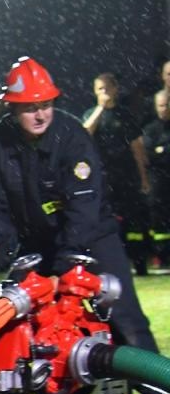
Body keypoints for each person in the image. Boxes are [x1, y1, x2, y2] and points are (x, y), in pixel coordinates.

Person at [0, 56, 170, 394]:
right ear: (12, 108)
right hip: (38, 244)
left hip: (92, 239)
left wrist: (68, 266)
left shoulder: (72, 135)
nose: (40, 113)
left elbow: (84, 203)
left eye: (45, 104)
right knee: (19, 325)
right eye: (31, 107)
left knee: (126, 321)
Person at [82, 73, 154, 275]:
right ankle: (107, 265)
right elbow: (84, 134)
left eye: (107, 88)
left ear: (115, 89)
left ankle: (140, 264)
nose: (104, 93)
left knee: (133, 223)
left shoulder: (126, 115)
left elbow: (137, 147)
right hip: (101, 179)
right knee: (104, 222)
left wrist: (143, 178)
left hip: (126, 176)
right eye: (100, 89)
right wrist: (100, 109)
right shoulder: (90, 114)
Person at [143, 89, 170, 266]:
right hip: (158, 180)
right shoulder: (150, 129)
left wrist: (162, 151)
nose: (164, 109)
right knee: (158, 219)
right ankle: (160, 255)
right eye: (161, 105)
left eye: (167, 105)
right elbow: (148, 155)